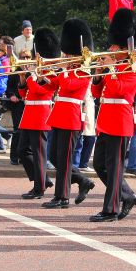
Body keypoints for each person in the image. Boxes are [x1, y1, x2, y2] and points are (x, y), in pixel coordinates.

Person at [89, 8, 136, 222]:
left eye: (113, 46)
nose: (109, 50)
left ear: (124, 47)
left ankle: (111, 209)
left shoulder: (133, 66)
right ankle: (127, 195)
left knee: (114, 166)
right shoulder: (114, 65)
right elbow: (96, 92)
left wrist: (110, 70)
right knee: (100, 165)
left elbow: (122, 90)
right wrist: (99, 75)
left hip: (120, 121)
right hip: (106, 120)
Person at [42, 19, 96, 208]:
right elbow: (54, 85)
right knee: (56, 158)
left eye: (67, 52)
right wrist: (43, 75)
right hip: (59, 116)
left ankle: (62, 197)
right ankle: (81, 180)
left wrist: (63, 71)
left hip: (71, 118)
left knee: (64, 160)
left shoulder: (84, 71)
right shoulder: (68, 70)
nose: (64, 55)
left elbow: (69, 85)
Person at [17, 28, 59, 199]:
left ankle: (39, 188)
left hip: (41, 115)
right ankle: (43, 179)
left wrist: (28, 77)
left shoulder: (52, 71)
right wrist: (21, 79)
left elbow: (41, 91)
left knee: (39, 153)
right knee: (22, 151)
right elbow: (24, 93)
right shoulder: (37, 70)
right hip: (29, 114)